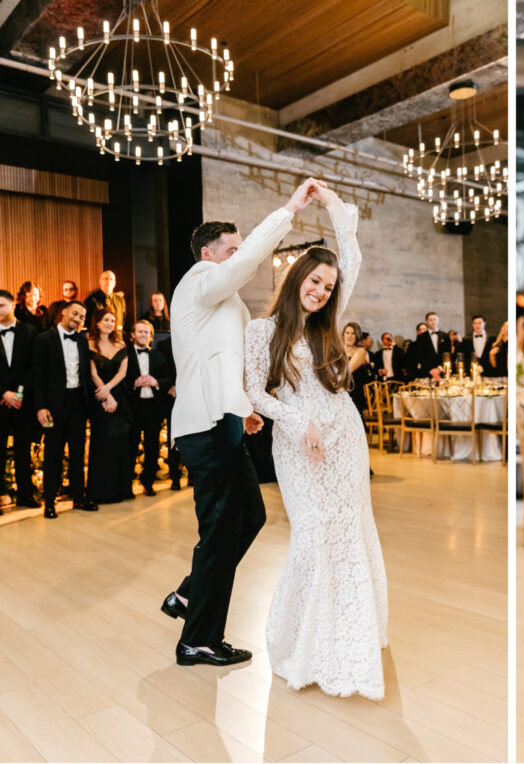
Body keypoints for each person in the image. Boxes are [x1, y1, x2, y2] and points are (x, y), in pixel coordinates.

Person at [159, 177, 320, 668]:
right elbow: (249, 259)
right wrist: (291, 209)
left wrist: (245, 409)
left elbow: (223, 361)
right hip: (204, 426)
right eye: (232, 248)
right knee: (221, 527)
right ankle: (197, 640)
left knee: (249, 516)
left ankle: (189, 596)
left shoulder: (222, 301)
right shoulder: (199, 281)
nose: (240, 254)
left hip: (222, 420)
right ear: (209, 254)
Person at [242, 183, 387, 698]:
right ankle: (297, 638)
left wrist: (332, 205)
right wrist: (296, 421)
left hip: (344, 437)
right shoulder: (262, 331)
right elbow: (253, 391)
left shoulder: (328, 322)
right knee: (311, 534)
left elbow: (353, 254)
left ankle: (350, 631)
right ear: (298, 277)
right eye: (315, 281)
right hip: (297, 442)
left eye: (329, 286)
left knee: (349, 529)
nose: (322, 291)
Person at [33, 300, 97, 517]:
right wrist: (41, 407)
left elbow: (85, 375)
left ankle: (79, 498)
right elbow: (37, 376)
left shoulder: (81, 340)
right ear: (64, 312)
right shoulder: (44, 339)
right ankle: (50, 501)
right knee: (53, 454)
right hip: (53, 407)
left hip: (78, 403)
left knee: (78, 453)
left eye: (82, 317)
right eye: (76, 313)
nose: (78, 319)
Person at [85, 308, 134, 504]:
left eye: (112, 320)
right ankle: (101, 492)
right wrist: (104, 394)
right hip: (98, 398)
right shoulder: (89, 344)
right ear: (97, 322)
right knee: (102, 444)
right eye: (106, 320)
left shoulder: (121, 343)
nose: (110, 323)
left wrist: (110, 391)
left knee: (119, 444)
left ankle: (121, 489)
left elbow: (122, 373)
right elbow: (93, 373)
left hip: (118, 398)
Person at [0, 289, 39, 510]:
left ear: (13, 305)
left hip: (23, 402)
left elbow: (34, 368)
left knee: (24, 450)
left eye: (2, 305)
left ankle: (26, 495)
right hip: (0, 401)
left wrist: (20, 394)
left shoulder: (31, 332)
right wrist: (4, 393)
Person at [126, 320, 173, 496]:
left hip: (153, 408)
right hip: (134, 408)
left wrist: (156, 382)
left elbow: (169, 379)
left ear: (151, 336)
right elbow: (120, 380)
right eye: (140, 332)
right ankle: (127, 484)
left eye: (146, 332)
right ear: (132, 335)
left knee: (152, 448)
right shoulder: (126, 356)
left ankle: (148, 482)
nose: (143, 335)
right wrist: (133, 383)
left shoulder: (159, 356)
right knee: (131, 447)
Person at [156, 335, 185, 490]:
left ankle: (193, 475)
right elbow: (163, 368)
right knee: (173, 438)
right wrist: (171, 386)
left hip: (193, 395)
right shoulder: (163, 344)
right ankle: (175, 477)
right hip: (172, 395)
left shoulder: (194, 337)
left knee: (194, 433)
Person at [412, 311, 453, 378]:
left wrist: (439, 369)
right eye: (430, 320)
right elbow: (420, 356)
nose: (433, 322)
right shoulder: (421, 337)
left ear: (438, 320)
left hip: (442, 372)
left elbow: (448, 354)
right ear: (426, 321)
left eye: (435, 319)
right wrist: (431, 370)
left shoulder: (445, 336)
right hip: (427, 372)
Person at [343, 321, 371, 416]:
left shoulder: (361, 351)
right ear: (343, 334)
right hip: (340, 393)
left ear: (357, 336)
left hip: (355, 394)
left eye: (353, 333)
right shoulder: (337, 351)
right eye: (347, 333)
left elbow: (347, 371)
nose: (349, 336)